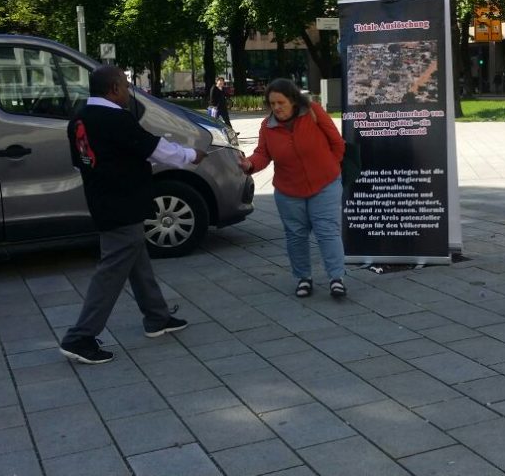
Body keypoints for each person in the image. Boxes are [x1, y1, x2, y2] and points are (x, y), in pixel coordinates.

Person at [60, 65, 206, 365]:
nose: (129, 92)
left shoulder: (79, 118)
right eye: (126, 86)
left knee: (137, 259)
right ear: (113, 89)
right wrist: (191, 155)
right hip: (122, 204)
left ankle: (157, 317)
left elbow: (81, 162)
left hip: (102, 199)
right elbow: (153, 148)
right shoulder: (116, 118)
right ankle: (80, 337)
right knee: (112, 270)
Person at [238, 78, 347, 298]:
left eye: (281, 102)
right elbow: (263, 154)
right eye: (272, 103)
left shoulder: (313, 112)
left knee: (327, 231)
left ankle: (336, 278)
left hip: (325, 184)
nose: (277, 107)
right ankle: (303, 278)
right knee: (296, 235)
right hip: (288, 190)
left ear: (293, 100)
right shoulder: (267, 126)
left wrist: (330, 166)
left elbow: (337, 142)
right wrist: (250, 164)